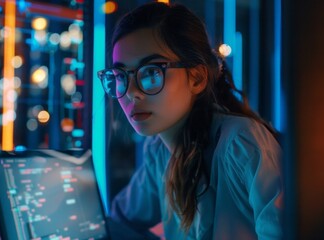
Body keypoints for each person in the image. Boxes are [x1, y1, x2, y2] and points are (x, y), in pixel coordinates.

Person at [97, 2, 283, 239]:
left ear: (196, 78)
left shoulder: (239, 142)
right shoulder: (159, 152)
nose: (132, 91)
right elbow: (120, 222)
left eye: (152, 72)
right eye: (120, 76)